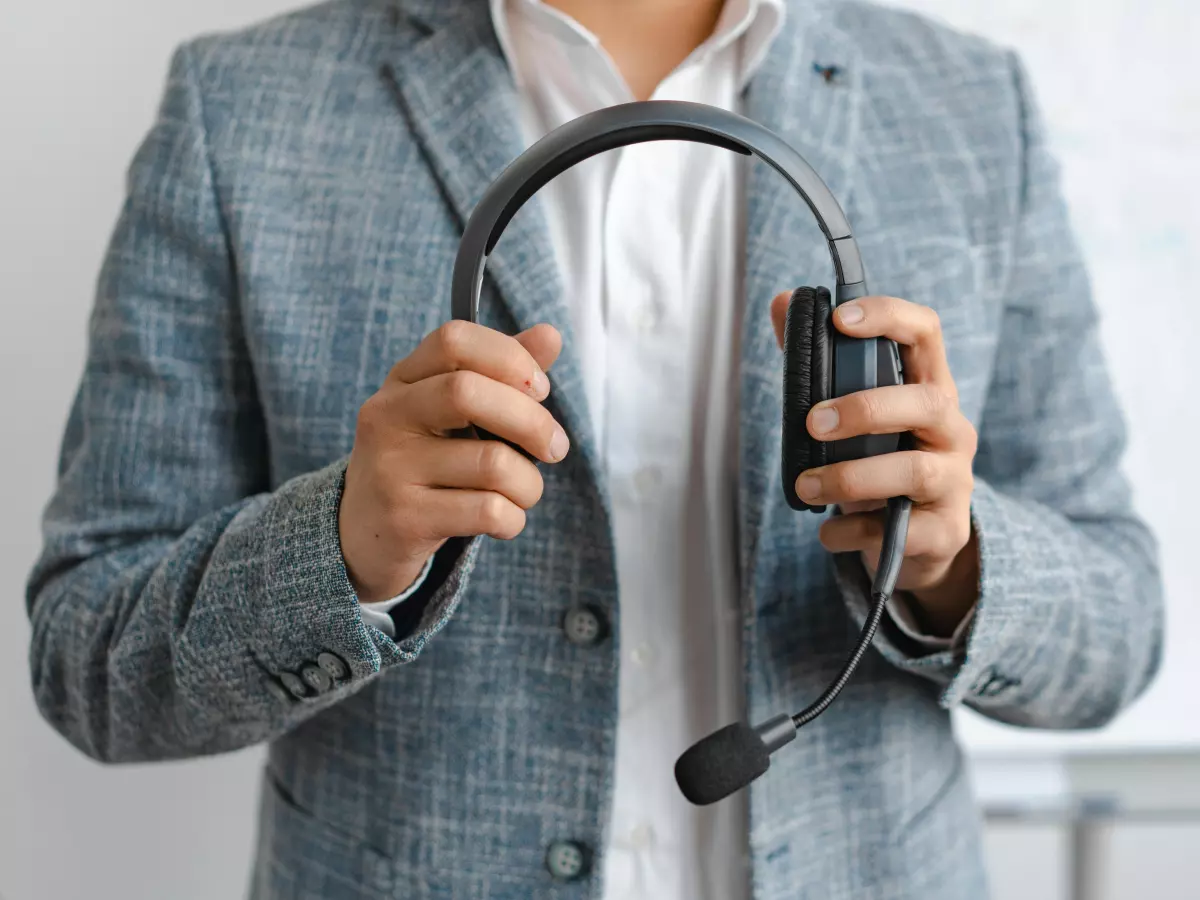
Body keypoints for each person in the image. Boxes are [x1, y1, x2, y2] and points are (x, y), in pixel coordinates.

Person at [25, 0, 1163, 897]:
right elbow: (92, 665)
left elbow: (1120, 627)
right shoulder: (244, 107)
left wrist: (954, 565)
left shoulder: (970, 105)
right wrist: (339, 550)